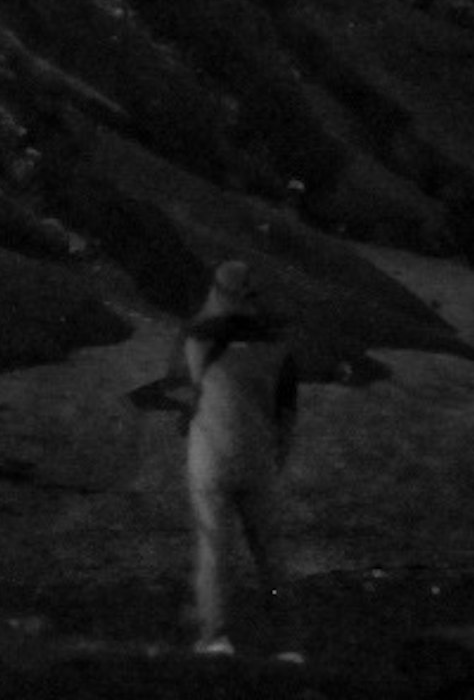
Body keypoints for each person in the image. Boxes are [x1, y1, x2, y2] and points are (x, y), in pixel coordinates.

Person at [171, 259, 298, 653]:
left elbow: (181, 394)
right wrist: (279, 456)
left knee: (213, 550)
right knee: (270, 555)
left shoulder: (196, 337)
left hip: (210, 456)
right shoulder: (278, 345)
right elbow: (287, 411)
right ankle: (287, 643)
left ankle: (215, 636)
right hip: (259, 457)